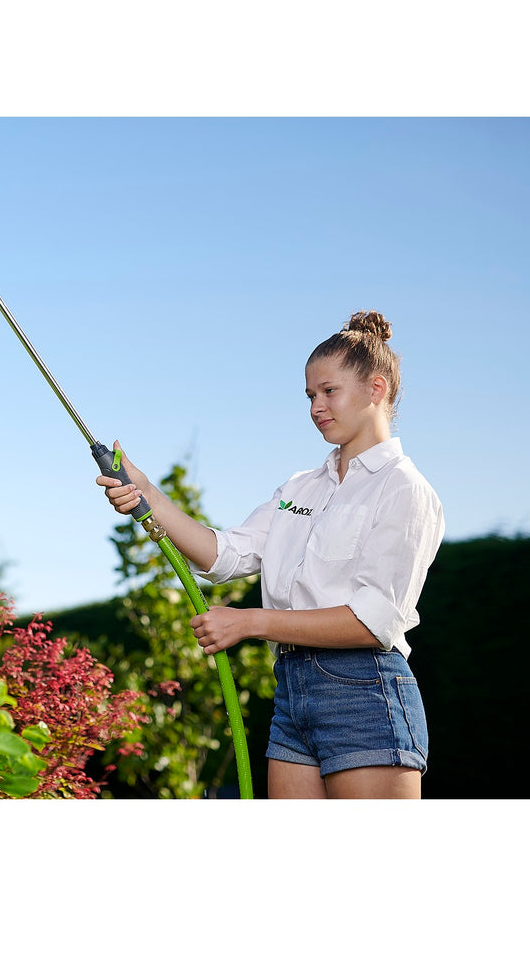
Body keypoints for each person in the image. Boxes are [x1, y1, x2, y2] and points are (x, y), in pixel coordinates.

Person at [97, 311, 444, 799]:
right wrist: (149, 494)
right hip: (293, 692)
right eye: (309, 396)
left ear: (376, 389)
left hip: (364, 693)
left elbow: (373, 622)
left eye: (328, 391)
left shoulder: (403, 489)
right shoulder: (299, 487)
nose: (316, 406)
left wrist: (249, 622)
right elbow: (226, 554)